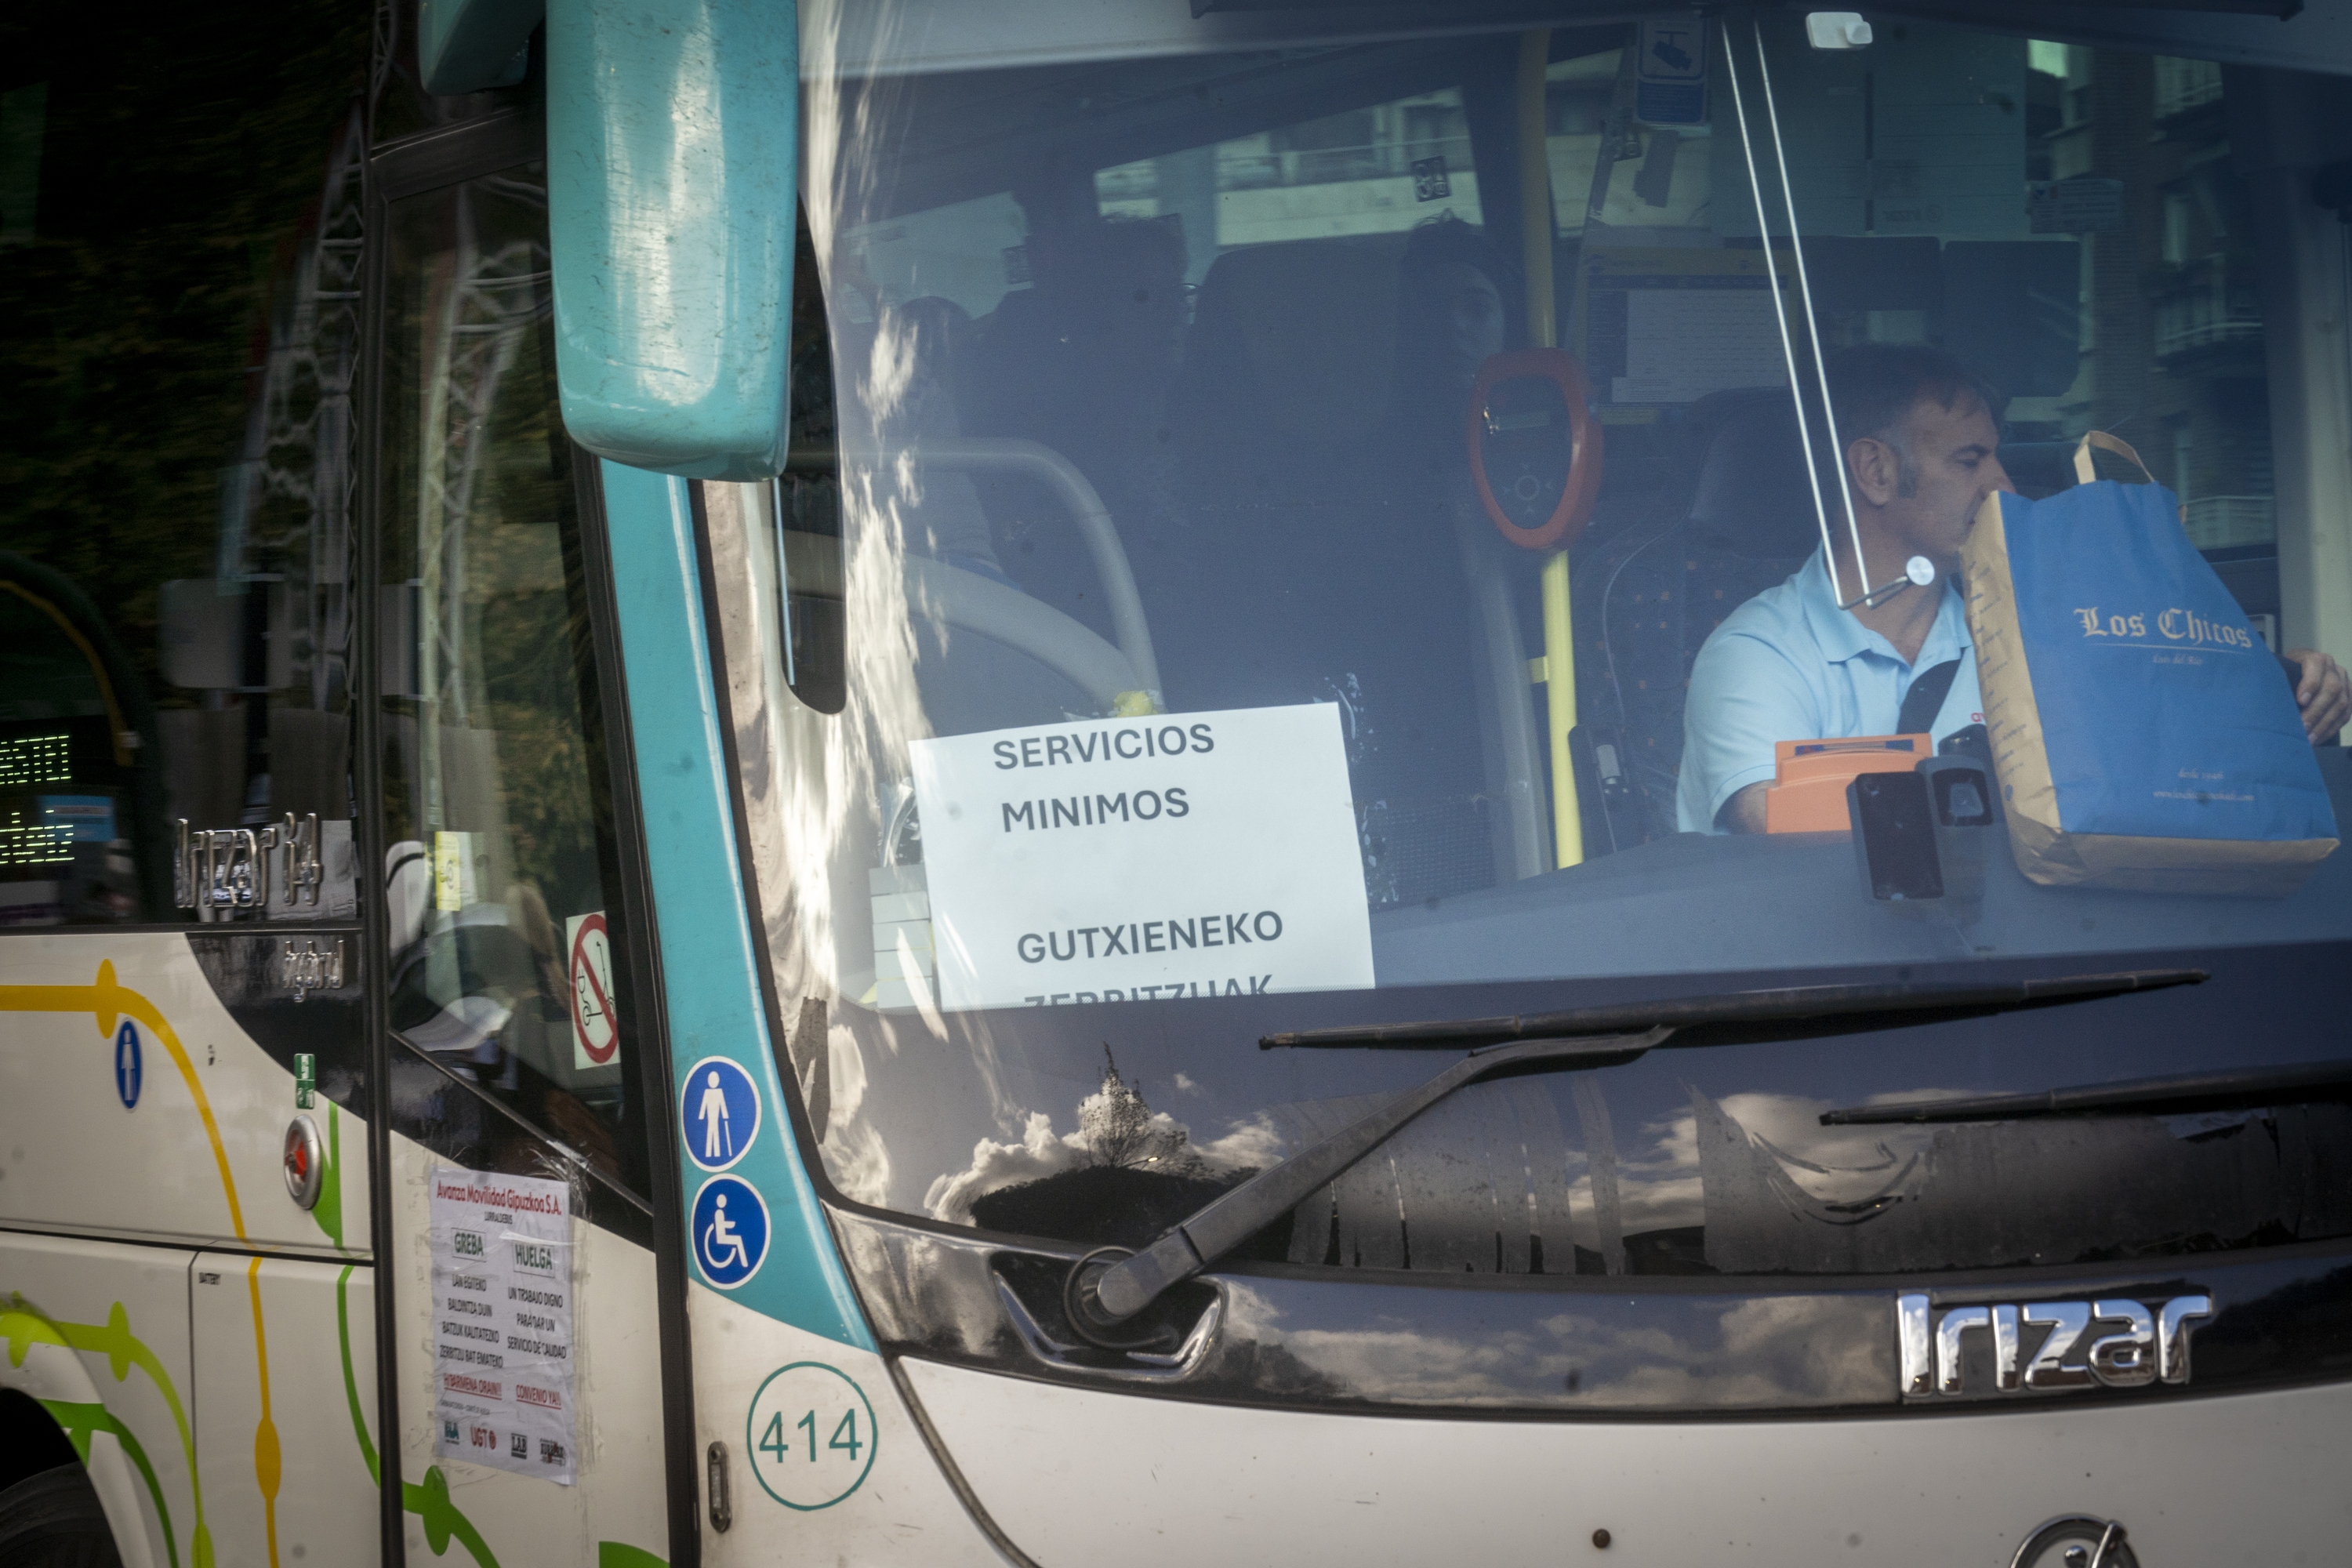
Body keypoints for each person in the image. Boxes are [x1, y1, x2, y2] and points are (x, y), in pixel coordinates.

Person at [1678, 344, 2350, 835]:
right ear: (1876, 471)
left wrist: (2281, 692)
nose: (2003, 485)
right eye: (1970, 460)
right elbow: (1777, 832)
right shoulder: (1756, 654)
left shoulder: (2036, 630)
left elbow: (2164, 754)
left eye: (1997, 457)